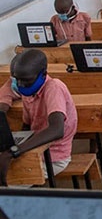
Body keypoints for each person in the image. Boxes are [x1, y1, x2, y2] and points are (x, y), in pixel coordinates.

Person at [0, 49, 78, 185]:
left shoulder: (54, 88)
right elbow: (27, 125)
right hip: (33, 149)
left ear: (43, 74)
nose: (20, 85)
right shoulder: (28, 87)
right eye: (17, 80)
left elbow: (57, 130)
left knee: (10, 181)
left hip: (54, 156)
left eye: (26, 81)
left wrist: (15, 151)